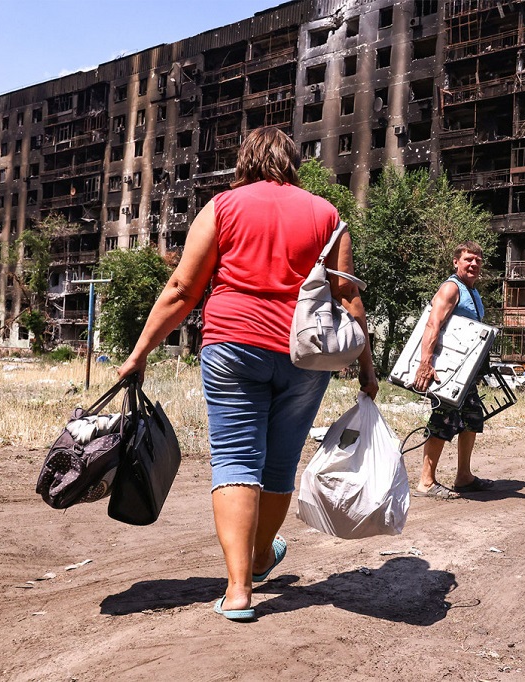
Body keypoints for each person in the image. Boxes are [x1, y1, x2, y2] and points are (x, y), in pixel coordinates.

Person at [116, 126, 377, 621]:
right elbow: (349, 299)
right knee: (278, 463)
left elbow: (182, 288)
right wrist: (366, 367)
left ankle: (238, 591)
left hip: (233, 344)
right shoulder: (328, 215)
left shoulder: (222, 207)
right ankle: (261, 556)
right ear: (292, 161)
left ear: (246, 159)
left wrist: (140, 351)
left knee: (236, 459)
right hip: (305, 354)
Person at [412, 242, 493, 499]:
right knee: (443, 420)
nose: (474, 264)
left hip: (464, 373)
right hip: (445, 371)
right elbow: (433, 324)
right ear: (455, 262)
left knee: (472, 418)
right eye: (469, 259)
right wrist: (426, 363)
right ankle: (426, 482)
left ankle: (464, 477)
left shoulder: (473, 292)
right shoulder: (451, 288)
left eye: (478, 260)